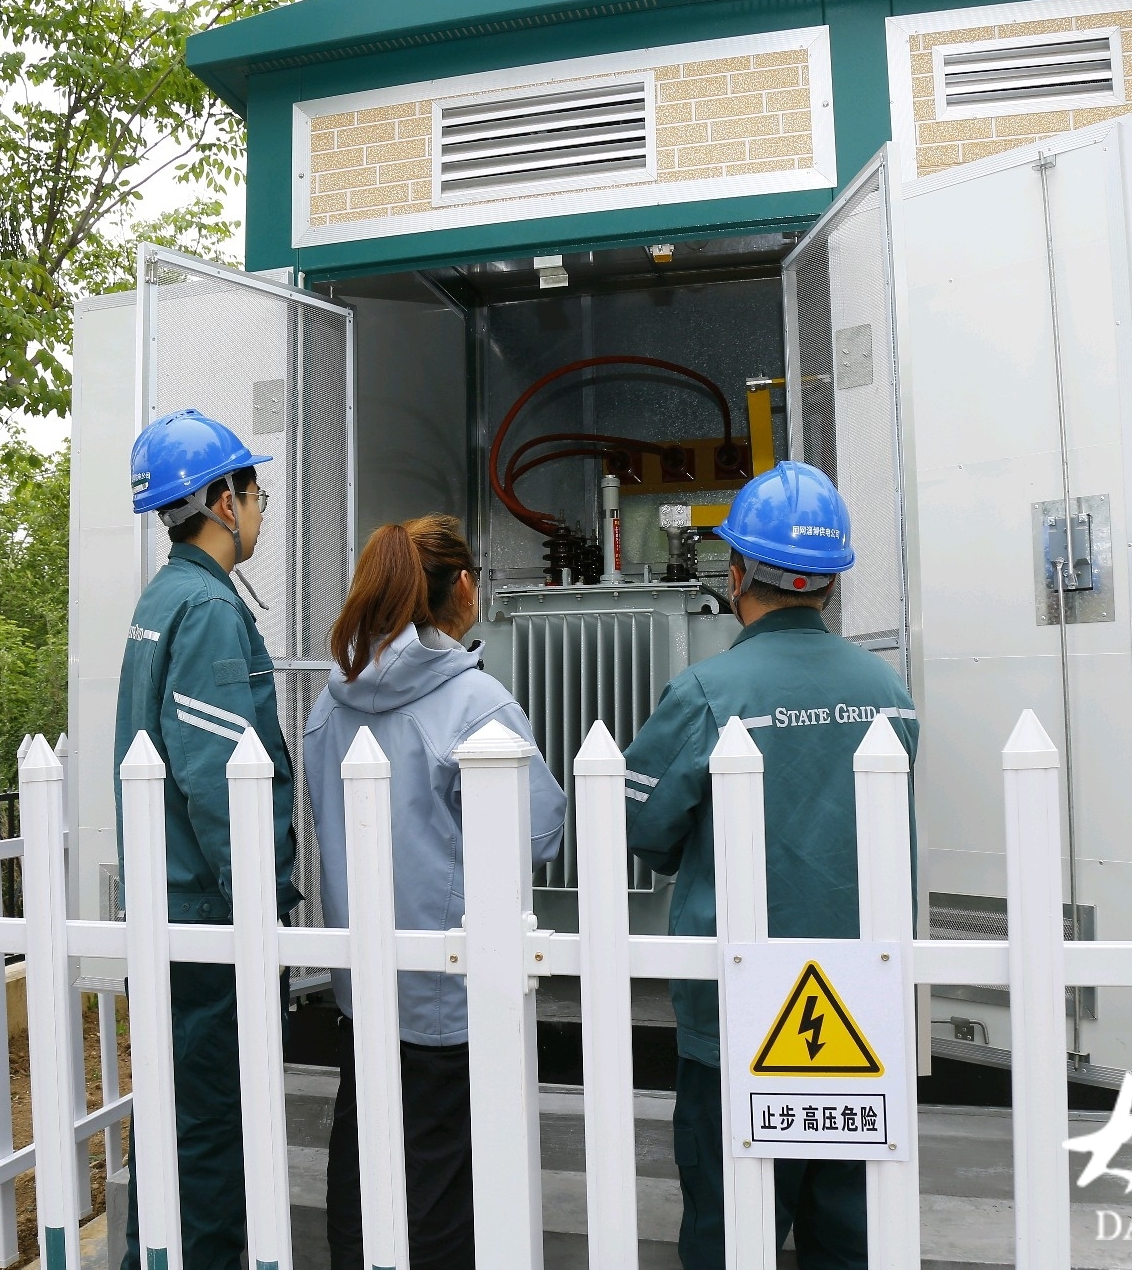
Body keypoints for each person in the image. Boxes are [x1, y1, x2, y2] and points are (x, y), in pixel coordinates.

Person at [622, 461, 918, 1270]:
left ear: (737, 573)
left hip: (737, 1013)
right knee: (852, 1236)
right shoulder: (888, 691)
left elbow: (643, 831)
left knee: (732, 1232)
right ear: (831, 582)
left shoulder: (708, 692)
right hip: (861, 1008)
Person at [304, 515, 566, 1270]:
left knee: (362, 1169)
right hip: (449, 997)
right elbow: (539, 835)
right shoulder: (476, 702)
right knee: (444, 1191)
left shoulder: (330, 702)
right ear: (463, 587)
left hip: (363, 990)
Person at [115, 408, 301, 1270]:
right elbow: (222, 779)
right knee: (214, 1130)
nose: (259, 509)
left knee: (174, 1119)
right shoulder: (208, 609)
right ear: (224, 500)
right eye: (254, 493)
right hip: (209, 920)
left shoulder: (162, 598)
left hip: (167, 907)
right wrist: (260, 910)